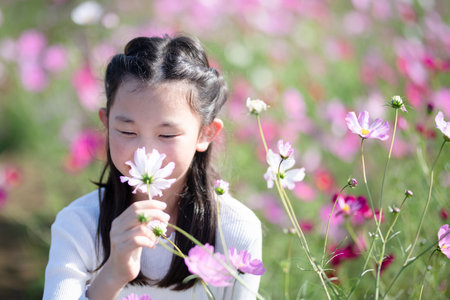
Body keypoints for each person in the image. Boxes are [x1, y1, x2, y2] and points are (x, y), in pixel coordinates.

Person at [43, 34, 263, 300]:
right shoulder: (78, 225)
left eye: (167, 135)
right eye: (126, 131)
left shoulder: (235, 230)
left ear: (206, 134)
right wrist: (112, 275)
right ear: (106, 122)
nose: (145, 154)